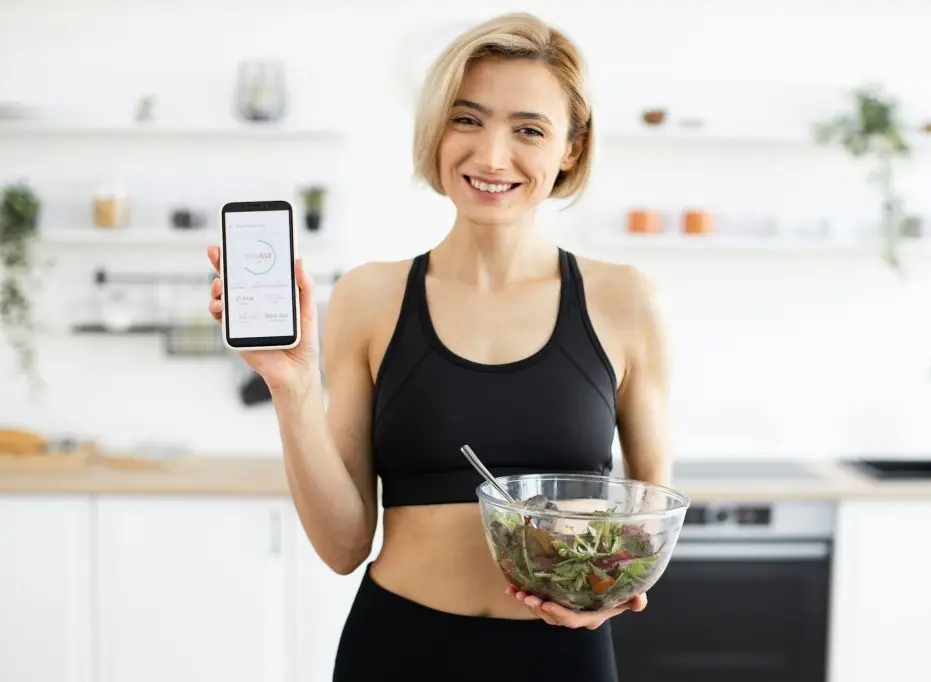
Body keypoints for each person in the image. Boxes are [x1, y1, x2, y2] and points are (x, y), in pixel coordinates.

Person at [206, 12, 671, 682]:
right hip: (398, 649)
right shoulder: (370, 297)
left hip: (562, 657)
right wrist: (293, 390)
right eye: (467, 119)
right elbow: (343, 546)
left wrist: (612, 594)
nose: (490, 156)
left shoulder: (627, 300)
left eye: (529, 129)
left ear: (571, 147)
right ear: (436, 127)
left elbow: (650, 520)